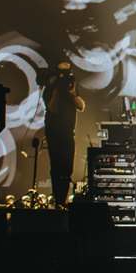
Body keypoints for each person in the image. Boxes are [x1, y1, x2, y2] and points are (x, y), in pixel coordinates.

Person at [40, 60, 84, 205]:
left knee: (67, 168)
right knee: (57, 168)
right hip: (54, 132)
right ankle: (59, 200)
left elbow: (81, 106)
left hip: (68, 133)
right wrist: (57, 89)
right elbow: (52, 108)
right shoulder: (51, 88)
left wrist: (71, 94)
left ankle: (63, 200)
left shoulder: (71, 86)